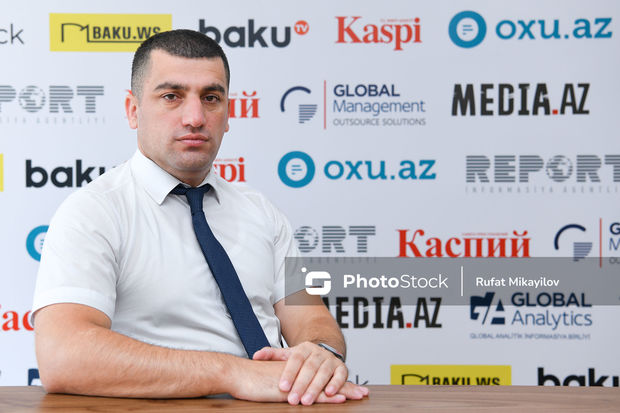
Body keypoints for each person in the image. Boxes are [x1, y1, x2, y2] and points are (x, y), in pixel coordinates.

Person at [32, 29, 368, 405]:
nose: (195, 118)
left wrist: (320, 354)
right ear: (133, 110)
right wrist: (233, 373)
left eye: (211, 98)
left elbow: (310, 317)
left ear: (228, 113)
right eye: (171, 96)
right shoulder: (94, 213)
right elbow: (63, 355)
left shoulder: (261, 211)